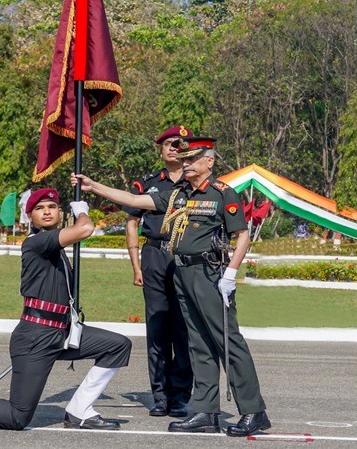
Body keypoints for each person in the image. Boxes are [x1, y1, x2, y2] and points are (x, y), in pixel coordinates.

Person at [71, 136, 270, 437]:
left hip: (210, 273)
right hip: (182, 272)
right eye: (184, 159)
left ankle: (253, 411)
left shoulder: (223, 194)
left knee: (226, 341)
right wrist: (94, 186)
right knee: (198, 343)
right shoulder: (179, 194)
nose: (185, 163)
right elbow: (136, 201)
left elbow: (241, 235)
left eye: (192, 159)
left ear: (209, 161)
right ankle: (205, 410)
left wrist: (230, 274)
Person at [0, 188, 132, 431]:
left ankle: (79, 410)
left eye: (51, 206)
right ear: (30, 217)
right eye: (39, 209)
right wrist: (82, 212)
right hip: (36, 336)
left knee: (118, 345)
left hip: (62, 332)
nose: (47, 211)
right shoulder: (36, 242)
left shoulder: (55, 247)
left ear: (60, 212)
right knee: (16, 418)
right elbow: (84, 230)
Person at [122, 125, 193, 417]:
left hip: (187, 258)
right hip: (154, 256)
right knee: (157, 328)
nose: (174, 148)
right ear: (161, 150)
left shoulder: (198, 184)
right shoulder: (148, 184)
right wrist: (136, 264)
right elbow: (131, 222)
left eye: (180, 144)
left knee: (184, 328)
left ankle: (180, 396)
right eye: (169, 144)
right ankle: (161, 396)